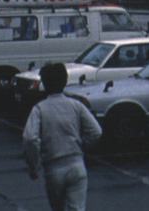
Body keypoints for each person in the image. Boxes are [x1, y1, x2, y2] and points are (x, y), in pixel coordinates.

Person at [23, 63, 102, 211]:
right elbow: (96, 131)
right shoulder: (76, 105)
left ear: (44, 84)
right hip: (77, 165)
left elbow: (30, 138)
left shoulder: (39, 109)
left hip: (53, 168)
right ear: (65, 81)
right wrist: (82, 145)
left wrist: (34, 166)